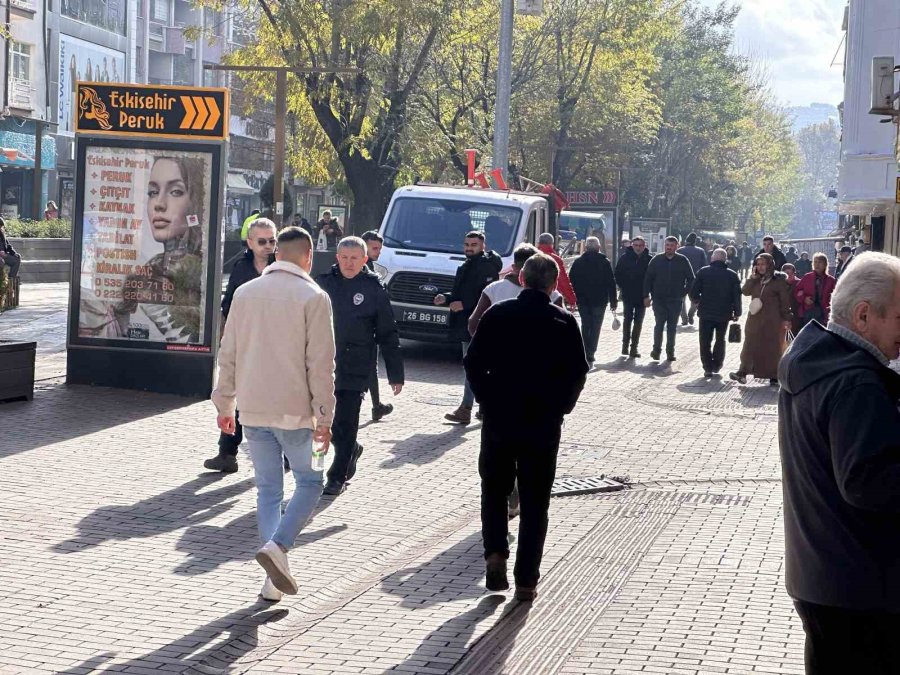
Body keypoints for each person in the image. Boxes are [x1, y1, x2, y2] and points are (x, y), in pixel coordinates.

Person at [778, 252, 900, 674]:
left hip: (823, 574)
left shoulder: (813, 358)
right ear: (864, 315)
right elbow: (868, 481)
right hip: (859, 586)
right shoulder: (855, 382)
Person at [211, 226, 336, 602]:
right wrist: (325, 417)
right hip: (299, 414)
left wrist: (225, 404)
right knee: (312, 481)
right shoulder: (314, 296)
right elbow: (321, 364)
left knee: (268, 490)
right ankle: (279, 547)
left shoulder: (246, 293)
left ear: (276, 253)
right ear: (309, 257)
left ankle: (272, 578)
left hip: (252, 409)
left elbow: (228, 351)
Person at [464, 252, 588, 602]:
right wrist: (562, 406)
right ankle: (526, 579)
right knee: (536, 500)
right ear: (552, 285)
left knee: (494, 488)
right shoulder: (563, 322)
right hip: (542, 422)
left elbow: (473, 362)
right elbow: (578, 372)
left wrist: (487, 399)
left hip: (500, 417)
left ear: (521, 279)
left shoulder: (497, 315)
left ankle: (495, 553)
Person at [317, 236, 404, 496]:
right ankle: (347, 451)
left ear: (365, 260)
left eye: (355, 258)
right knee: (324, 423)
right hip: (322, 366)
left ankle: (337, 476)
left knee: (346, 421)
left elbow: (388, 333)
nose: (349, 263)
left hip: (356, 367)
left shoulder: (373, 289)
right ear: (337, 258)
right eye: (344, 257)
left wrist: (395, 373)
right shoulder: (322, 285)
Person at [204, 218, 277, 474]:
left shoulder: (283, 268)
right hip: (245, 343)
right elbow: (228, 305)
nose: (268, 246)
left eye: (272, 241)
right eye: (262, 241)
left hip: (275, 347)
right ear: (250, 242)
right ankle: (227, 452)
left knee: (274, 400)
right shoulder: (241, 268)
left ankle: (284, 454)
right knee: (233, 395)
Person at [113, 155, 205, 341]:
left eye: (176, 191)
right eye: (153, 192)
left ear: (195, 201)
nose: (159, 204)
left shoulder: (201, 269)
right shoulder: (148, 270)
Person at [434, 231, 502, 424]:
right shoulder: (467, 265)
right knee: (476, 367)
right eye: (466, 244)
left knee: (472, 367)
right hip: (466, 323)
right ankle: (482, 407)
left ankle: (466, 408)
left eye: (473, 244)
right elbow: (462, 292)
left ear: (483, 246)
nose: (469, 248)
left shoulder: (487, 266)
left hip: (478, 323)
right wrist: (446, 297)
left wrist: (464, 304)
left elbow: (487, 293)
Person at [729, 253, 792, 386]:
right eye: (758, 264)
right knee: (749, 344)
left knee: (771, 347)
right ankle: (743, 372)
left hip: (772, 319)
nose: (760, 267)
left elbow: (785, 302)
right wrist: (752, 278)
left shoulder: (778, 281)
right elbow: (745, 291)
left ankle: (774, 375)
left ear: (769, 264)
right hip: (754, 319)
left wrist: (787, 318)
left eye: (763, 264)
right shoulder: (756, 279)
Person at [689, 249, 741, 377]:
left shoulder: (703, 272)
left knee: (705, 340)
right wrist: (737, 312)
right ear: (725, 259)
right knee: (720, 339)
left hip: (705, 312)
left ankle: (707, 367)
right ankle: (717, 364)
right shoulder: (732, 275)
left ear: (712, 258)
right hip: (724, 313)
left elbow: (693, 292)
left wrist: (697, 301)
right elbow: (736, 296)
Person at [643, 236, 694, 362]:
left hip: (675, 299)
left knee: (672, 327)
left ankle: (670, 352)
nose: (669, 247)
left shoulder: (682, 260)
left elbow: (691, 278)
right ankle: (656, 350)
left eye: (671, 245)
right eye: (667, 245)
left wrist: (684, 292)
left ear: (677, 246)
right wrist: (646, 296)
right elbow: (648, 279)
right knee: (659, 325)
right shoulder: (656, 260)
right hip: (659, 299)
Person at [568, 236, 617, 366]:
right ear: (599, 248)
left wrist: (574, 296)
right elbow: (611, 282)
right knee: (596, 326)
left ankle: (584, 350)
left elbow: (571, 279)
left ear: (586, 248)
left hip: (583, 300)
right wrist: (613, 301)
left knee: (585, 324)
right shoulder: (604, 262)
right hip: (600, 300)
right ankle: (591, 353)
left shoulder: (578, 262)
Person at [361, 230, 393, 422]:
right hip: (365, 325)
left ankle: (376, 404)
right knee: (369, 366)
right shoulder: (363, 267)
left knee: (371, 366)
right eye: (374, 248)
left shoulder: (370, 265)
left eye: (380, 248)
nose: (378, 252)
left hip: (369, 324)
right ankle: (374, 404)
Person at [614, 235, 651, 358]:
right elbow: (617, 274)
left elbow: (652, 277)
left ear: (644, 246)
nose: (638, 248)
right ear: (632, 245)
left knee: (638, 322)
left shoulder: (649, 259)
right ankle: (624, 346)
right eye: (636, 245)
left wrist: (649, 293)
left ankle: (634, 348)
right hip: (628, 295)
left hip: (642, 295)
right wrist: (623, 286)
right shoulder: (625, 258)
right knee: (627, 320)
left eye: (640, 245)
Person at [794, 252, 836, 328]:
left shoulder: (831, 280)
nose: (817, 264)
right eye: (815, 262)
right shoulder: (807, 277)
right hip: (808, 313)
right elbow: (797, 291)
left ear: (825, 264)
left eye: (820, 262)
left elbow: (836, 297)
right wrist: (804, 298)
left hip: (824, 314)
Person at [537, 233, 577, 307]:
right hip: (552, 298)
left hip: (532, 297)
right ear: (551, 244)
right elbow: (563, 281)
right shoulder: (556, 259)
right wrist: (571, 299)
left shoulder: (531, 256)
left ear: (538, 243)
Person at [677, 232, 707, 326]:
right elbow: (704, 265)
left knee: (681, 300)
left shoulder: (680, 250)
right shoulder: (700, 251)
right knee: (695, 299)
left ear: (686, 240)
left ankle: (684, 318)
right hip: (696, 278)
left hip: (681, 278)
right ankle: (691, 314)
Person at [782, 263, 802, 335]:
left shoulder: (800, 283)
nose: (788, 276)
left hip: (796, 316)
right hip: (783, 315)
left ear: (794, 273)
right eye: (786, 274)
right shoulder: (780, 285)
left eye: (790, 273)